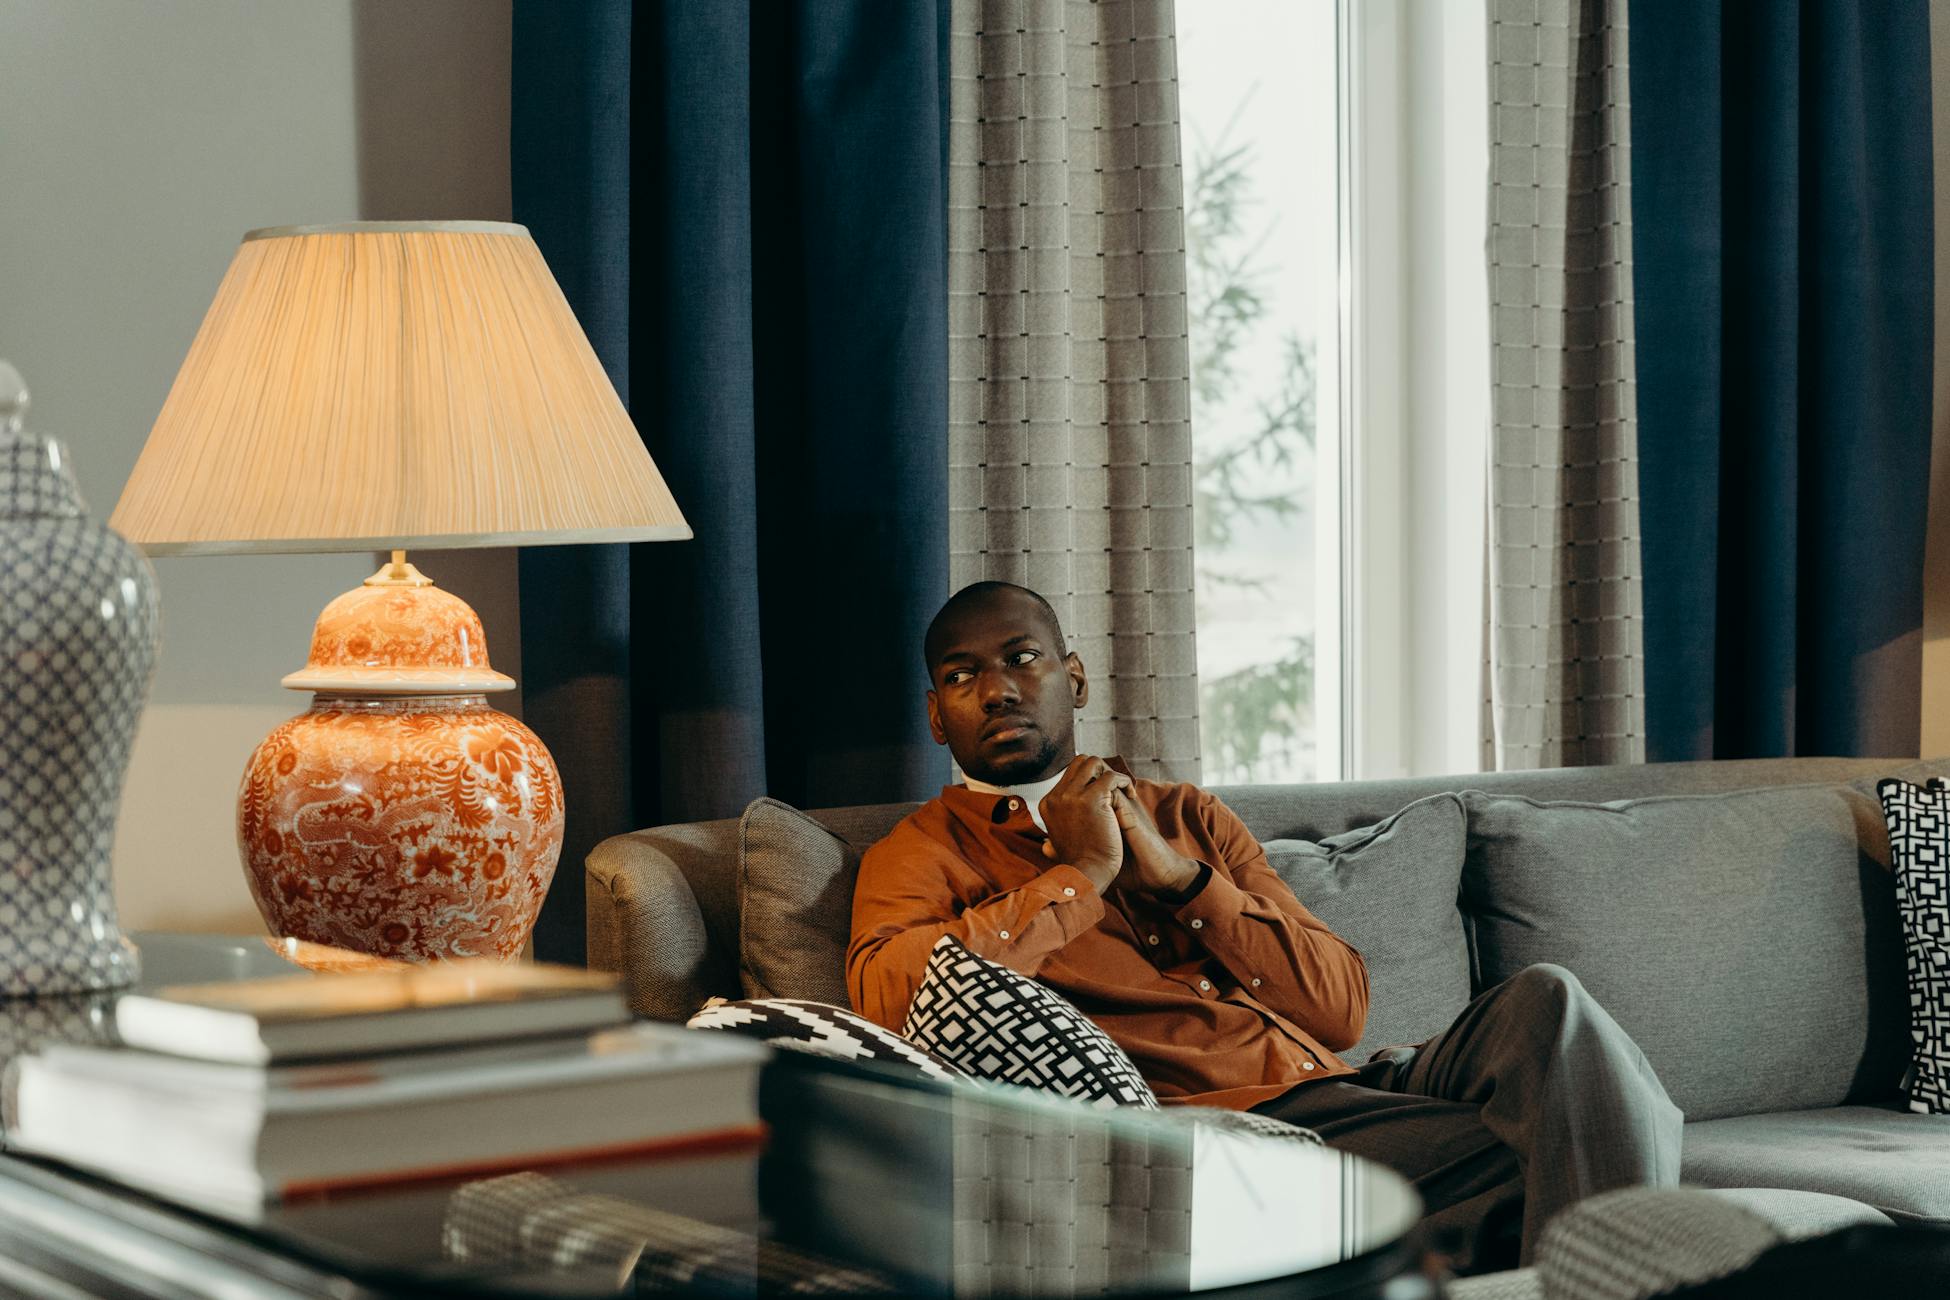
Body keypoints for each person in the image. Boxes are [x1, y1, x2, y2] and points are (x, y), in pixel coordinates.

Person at [847, 581, 1682, 1272]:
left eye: (1022, 659)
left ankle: (1457, 1242)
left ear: (1075, 678)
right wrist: (1079, 877)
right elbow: (896, 996)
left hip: (1360, 1085)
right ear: (937, 717)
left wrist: (1180, 880)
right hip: (1237, 1134)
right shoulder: (920, 852)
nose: (997, 690)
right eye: (962, 676)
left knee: (1550, 1005)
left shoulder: (1186, 815)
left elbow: (1339, 1009)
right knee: (1589, 1136)